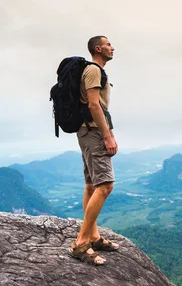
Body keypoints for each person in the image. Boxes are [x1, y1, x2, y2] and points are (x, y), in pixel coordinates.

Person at [68, 35, 120, 265]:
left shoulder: (95, 71)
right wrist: (106, 136)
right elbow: (93, 104)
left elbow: (99, 106)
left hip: (90, 131)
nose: (112, 47)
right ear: (98, 49)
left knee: (91, 184)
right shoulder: (93, 71)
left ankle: (94, 236)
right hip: (92, 132)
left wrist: (108, 131)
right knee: (105, 185)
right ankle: (81, 243)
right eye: (109, 44)